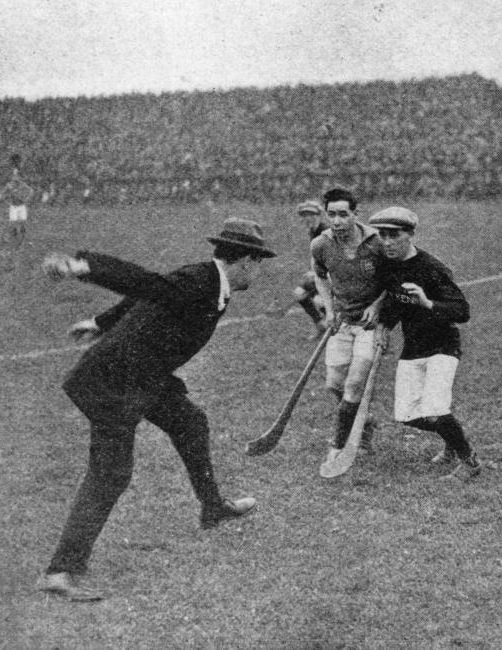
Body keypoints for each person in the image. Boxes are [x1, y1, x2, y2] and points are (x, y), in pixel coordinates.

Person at [36, 218, 275, 601]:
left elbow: (150, 295)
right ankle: (61, 571)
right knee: (110, 473)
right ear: (245, 260)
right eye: (259, 261)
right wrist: (85, 266)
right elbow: (146, 284)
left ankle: (212, 508)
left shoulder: (211, 282)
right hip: (113, 381)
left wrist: (101, 321)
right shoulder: (201, 282)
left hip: (142, 375)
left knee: (190, 422)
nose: (259, 270)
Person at [370, 206, 481, 481]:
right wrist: (383, 327)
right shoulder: (389, 267)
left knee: (434, 408)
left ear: (410, 235)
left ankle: (470, 461)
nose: (386, 241)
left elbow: (462, 311)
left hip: (443, 347)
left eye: (393, 235)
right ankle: (453, 439)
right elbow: (394, 303)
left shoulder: (432, 268)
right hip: (413, 348)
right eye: (382, 235)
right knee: (407, 416)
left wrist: (427, 302)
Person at [311, 188, 385, 459]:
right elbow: (319, 276)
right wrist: (328, 310)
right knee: (334, 385)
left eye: (344, 214)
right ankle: (364, 423)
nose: (338, 220)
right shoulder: (321, 244)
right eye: (332, 215)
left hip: (370, 326)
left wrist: (377, 305)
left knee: (354, 385)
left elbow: (393, 279)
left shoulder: (376, 243)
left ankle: (338, 447)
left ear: (356, 213)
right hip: (341, 322)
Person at [266, 200, 327, 338]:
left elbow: (334, 257)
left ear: (318, 215)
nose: (307, 218)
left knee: (319, 300)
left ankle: (337, 328)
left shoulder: (325, 232)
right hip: (320, 274)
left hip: (332, 275)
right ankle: (321, 326)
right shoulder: (313, 231)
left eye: (311, 214)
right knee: (299, 293)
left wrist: (316, 272)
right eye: (304, 215)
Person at [0, 164, 35, 246]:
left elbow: (31, 191)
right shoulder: (9, 185)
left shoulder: (22, 184)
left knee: (22, 223)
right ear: (12, 176)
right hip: (13, 206)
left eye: (17, 176)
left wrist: (27, 199)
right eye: (14, 176)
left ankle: (22, 241)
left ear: (19, 177)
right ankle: (14, 241)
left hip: (22, 206)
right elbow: (2, 192)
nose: (15, 177)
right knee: (14, 224)